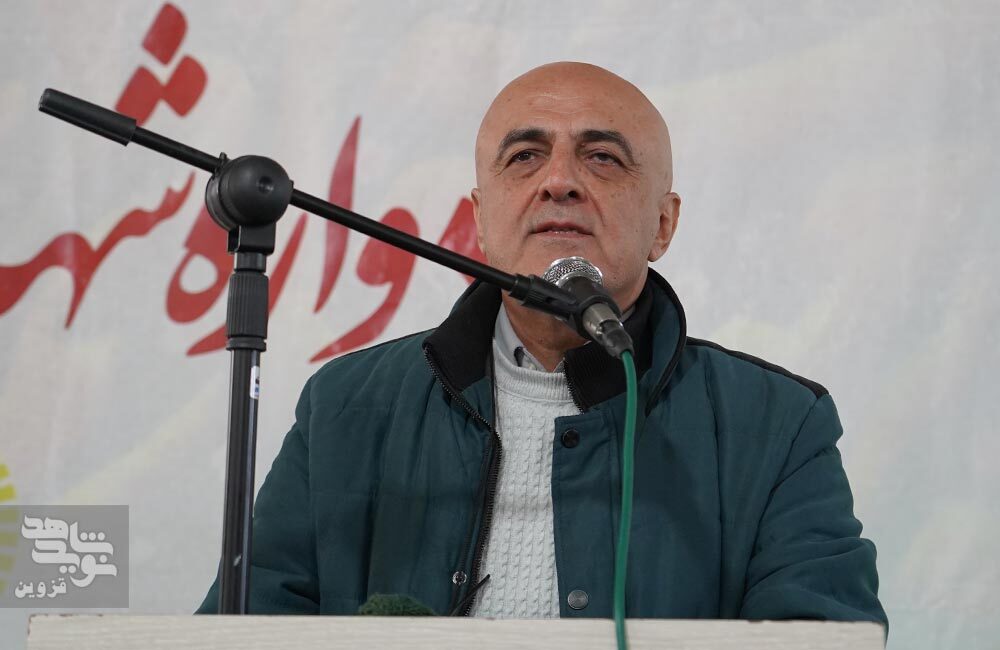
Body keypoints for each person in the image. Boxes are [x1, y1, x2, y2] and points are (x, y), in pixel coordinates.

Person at [197, 62, 887, 628]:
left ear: (663, 224)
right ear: (480, 219)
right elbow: (249, 627)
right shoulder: (346, 405)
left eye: (603, 158)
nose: (559, 181)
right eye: (525, 156)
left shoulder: (776, 423)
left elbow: (823, 635)